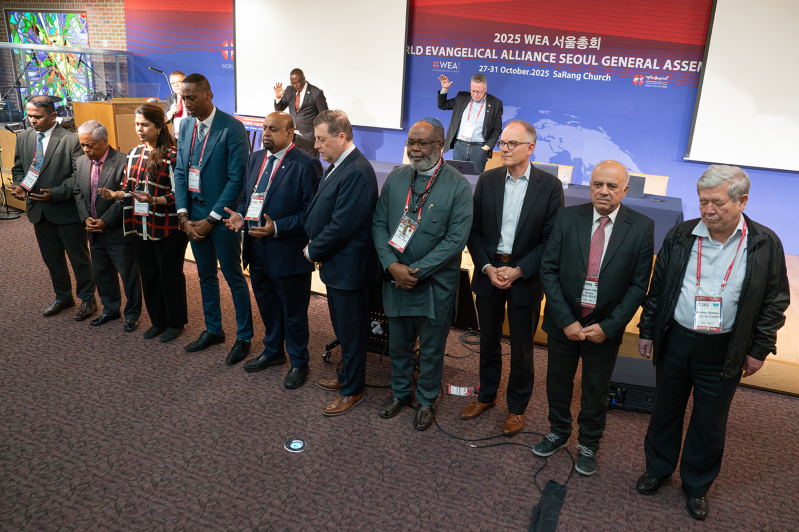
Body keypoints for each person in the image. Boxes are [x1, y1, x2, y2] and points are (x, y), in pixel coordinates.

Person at [635, 165, 789, 520]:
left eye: (717, 203)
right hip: (676, 341)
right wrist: (646, 330)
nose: (707, 210)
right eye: (703, 201)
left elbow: (774, 302)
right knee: (665, 411)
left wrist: (758, 350)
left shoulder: (765, 244)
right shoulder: (681, 236)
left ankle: (696, 486)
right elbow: (657, 290)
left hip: (724, 349)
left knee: (709, 422)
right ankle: (657, 470)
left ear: (742, 201)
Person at [535, 160, 655, 476]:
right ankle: (558, 431)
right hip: (565, 322)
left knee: (595, 390)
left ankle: (588, 443)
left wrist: (610, 327)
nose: (603, 191)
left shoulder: (641, 227)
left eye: (611, 186)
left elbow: (638, 285)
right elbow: (548, 269)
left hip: (603, 328)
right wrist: (565, 320)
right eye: (597, 184)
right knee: (557, 383)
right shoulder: (566, 218)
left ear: (625, 190)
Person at [372, 117, 473, 431]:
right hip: (397, 281)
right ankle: (401, 393)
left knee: (431, 350)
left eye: (422, 143)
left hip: (434, 286)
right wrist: (392, 266)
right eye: (411, 142)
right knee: (399, 344)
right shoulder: (397, 178)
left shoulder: (458, 185)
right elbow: (378, 224)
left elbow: (457, 240)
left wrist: (414, 271)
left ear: (440, 145)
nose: (415, 149)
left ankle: (427, 400)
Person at [463, 120, 564, 435]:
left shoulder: (549, 186)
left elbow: (551, 241)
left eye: (510, 144)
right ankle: (487, 395)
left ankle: (517, 408)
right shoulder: (488, 179)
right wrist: (487, 267)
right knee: (488, 342)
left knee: (522, 347)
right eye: (502, 143)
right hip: (490, 273)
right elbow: (475, 230)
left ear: (530, 148)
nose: (502, 149)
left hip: (526, 278)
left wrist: (519, 270)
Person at [224, 112, 322, 388]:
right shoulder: (255, 159)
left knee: (293, 312)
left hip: (288, 253)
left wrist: (276, 227)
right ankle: (273, 351)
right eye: (264, 128)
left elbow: (310, 215)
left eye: (273, 129)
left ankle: (299, 361)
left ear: (290, 134)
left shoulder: (307, 165)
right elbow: (246, 200)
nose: (266, 133)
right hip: (256, 250)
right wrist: (240, 217)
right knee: (267, 305)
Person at [173, 73, 254, 363]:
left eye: (192, 97)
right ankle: (214, 330)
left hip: (219, 217)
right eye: (183, 97)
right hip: (192, 214)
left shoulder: (232, 128)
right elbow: (181, 172)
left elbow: (236, 180)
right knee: (205, 275)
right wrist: (183, 215)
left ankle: (244, 337)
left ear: (208, 94)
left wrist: (212, 218)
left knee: (233, 278)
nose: (187, 103)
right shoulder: (184, 126)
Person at [304, 110, 378, 416]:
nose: (316, 145)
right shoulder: (338, 165)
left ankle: (353, 390)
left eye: (322, 139)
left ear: (342, 137)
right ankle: (347, 377)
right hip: (337, 267)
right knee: (343, 329)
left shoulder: (357, 171)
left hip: (349, 269)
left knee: (352, 332)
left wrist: (312, 250)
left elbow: (342, 225)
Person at [99, 103, 189, 343]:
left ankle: (175, 323)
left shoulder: (173, 155)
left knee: (169, 276)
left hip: (168, 227)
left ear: (159, 127)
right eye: (137, 124)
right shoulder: (134, 153)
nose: (139, 129)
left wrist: (155, 199)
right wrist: (115, 194)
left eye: (145, 124)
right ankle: (158, 321)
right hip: (140, 225)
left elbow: (181, 195)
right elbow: (130, 189)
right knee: (148, 275)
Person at [10, 95, 97, 320]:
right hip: (38, 211)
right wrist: (21, 185)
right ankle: (63, 296)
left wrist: (56, 194)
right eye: (29, 116)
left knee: (79, 258)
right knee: (52, 259)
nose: (32, 120)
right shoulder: (24, 138)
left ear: (53, 115)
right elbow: (19, 167)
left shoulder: (71, 140)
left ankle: (88, 299)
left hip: (65, 209)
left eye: (37, 116)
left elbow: (79, 175)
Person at [73, 120, 142, 332]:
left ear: (104, 141)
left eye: (90, 145)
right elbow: (78, 192)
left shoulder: (123, 161)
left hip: (118, 231)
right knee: (102, 273)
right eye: (83, 145)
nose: (86, 150)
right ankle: (110, 309)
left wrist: (105, 221)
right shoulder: (82, 162)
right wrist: (86, 218)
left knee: (128, 275)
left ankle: (132, 314)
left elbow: (126, 198)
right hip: (93, 230)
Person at [437, 73, 503, 174]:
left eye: (479, 92)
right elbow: (442, 105)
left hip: (479, 149)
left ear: (485, 89)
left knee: (475, 181)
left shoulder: (495, 104)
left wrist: (487, 147)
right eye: (473, 91)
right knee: (456, 178)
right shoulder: (461, 97)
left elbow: (497, 130)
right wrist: (444, 89)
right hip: (460, 146)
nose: (475, 94)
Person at [274, 68, 328, 157]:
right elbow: (279, 109)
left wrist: (319, 136)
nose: (295, 86)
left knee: (309, 166)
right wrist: (278, 97)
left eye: (297, 83)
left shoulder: (316, 93)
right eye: (292, 83)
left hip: (309, 139)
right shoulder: (289, 90)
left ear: (303, 79)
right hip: (291, 137)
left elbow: (324, 116)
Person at [164, 71, 187, 136]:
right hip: (176, 135)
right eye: (173, 83)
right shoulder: (170, 98)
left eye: (178, 82)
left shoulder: (191, 97)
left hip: (190, 133)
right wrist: (171, 112)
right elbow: (166, 120)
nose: (176, 85)